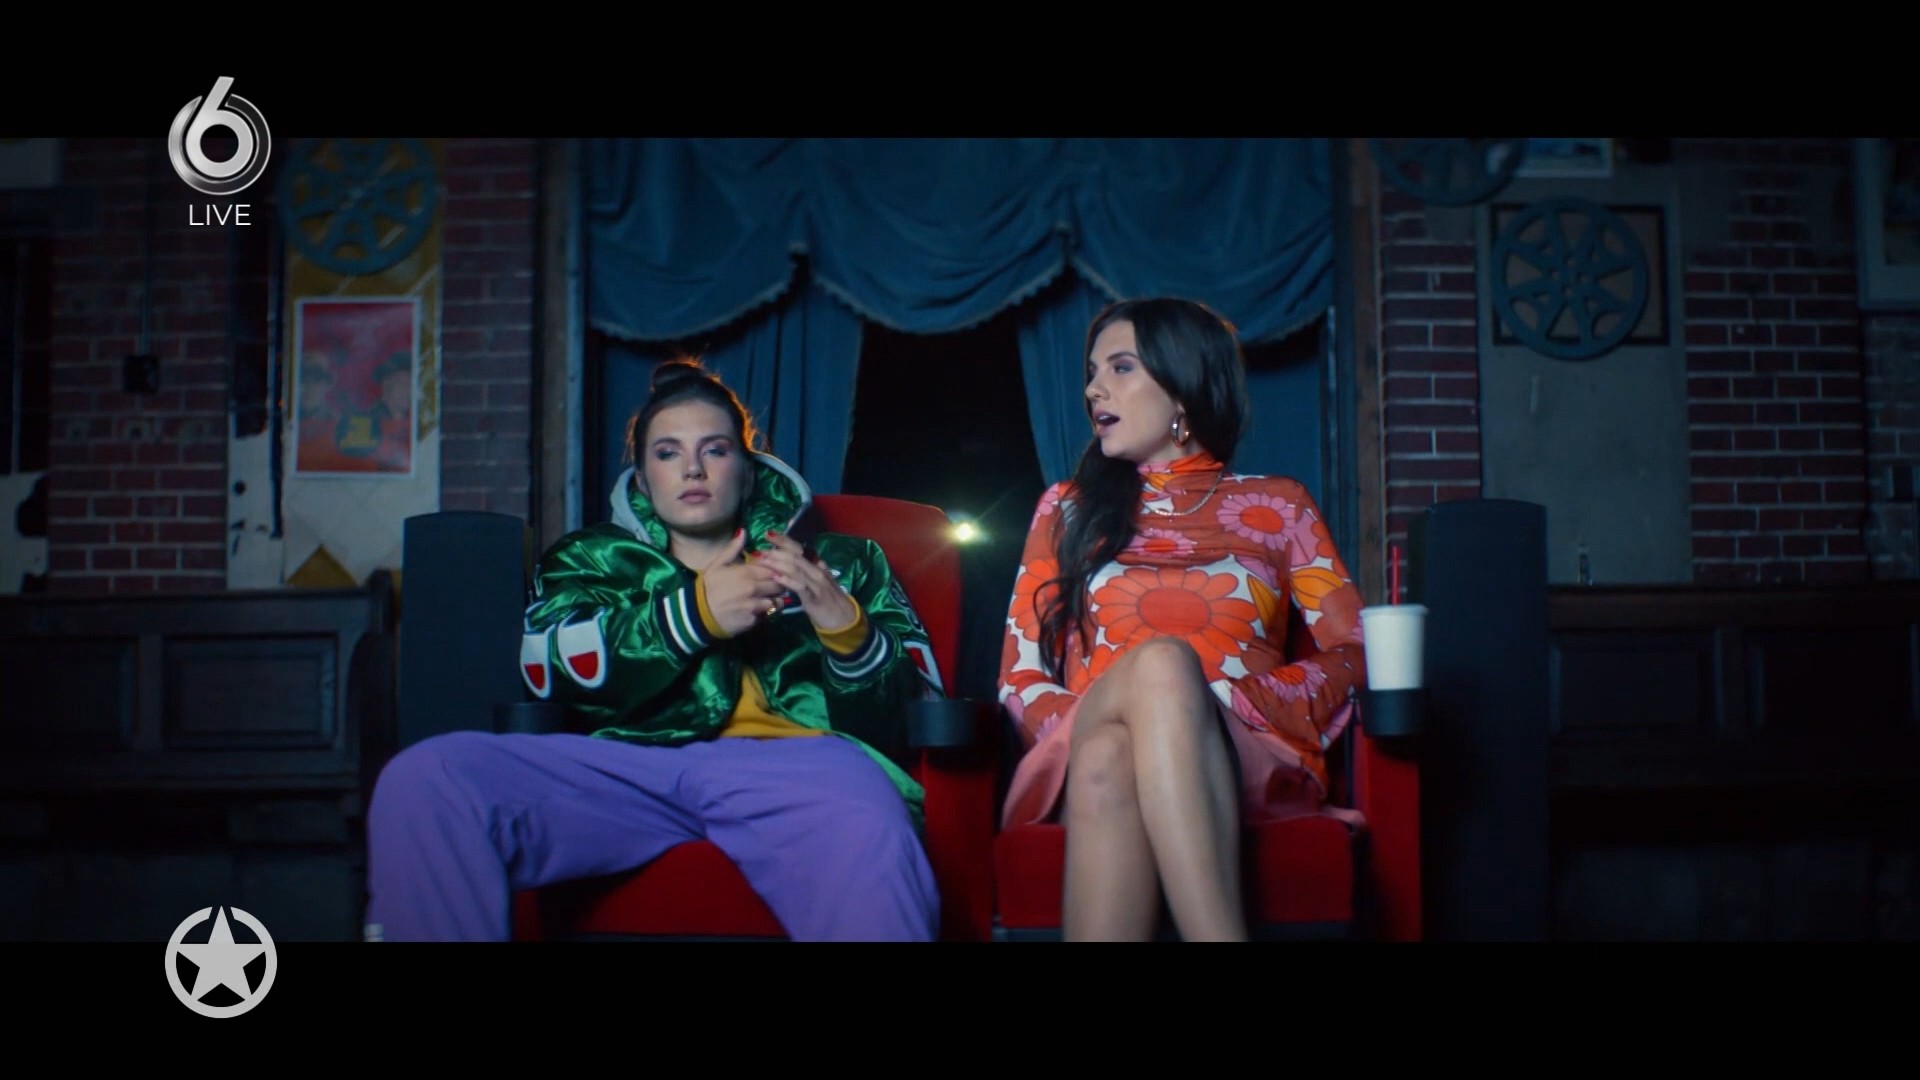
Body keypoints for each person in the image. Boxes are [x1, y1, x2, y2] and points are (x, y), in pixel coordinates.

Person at [364, 358, 943, 942]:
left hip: (802, 768)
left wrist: (845, 627)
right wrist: (694, 616)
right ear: (642, 480)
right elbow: (546, 673)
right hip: (629, 768)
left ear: (747, 471)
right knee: (430, 777)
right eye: (668, 453)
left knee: (872, 826)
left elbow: (912, 719)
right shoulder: (591, 558)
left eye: (715, 450)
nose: (693, 468)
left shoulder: (843, 561)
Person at [997, 297, 1368, 942]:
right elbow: (1019, 673)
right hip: (1089, 733)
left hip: (1239, 744)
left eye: (1120, 368)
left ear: (1182, 388)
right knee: (1140, 700)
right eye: (1091, 372)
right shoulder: (1067, 508)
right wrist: (1131, 711)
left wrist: (1228, 701)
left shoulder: (1278, 506)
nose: (1093, 389)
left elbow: (1356, 650)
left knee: (1135, 725)